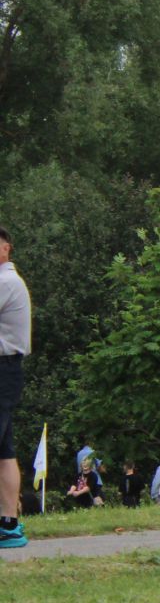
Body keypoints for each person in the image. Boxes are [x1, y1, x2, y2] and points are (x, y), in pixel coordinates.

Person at [0, 227, 30, 549]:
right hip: (7, 368)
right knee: (4, 452)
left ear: (6, 248)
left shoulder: (6, 281)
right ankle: (8, 525)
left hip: (3, 368)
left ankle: (9, 524)